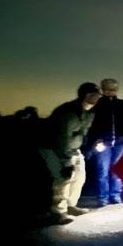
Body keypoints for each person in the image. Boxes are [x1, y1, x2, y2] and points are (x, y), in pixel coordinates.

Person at [39, 82, 101, 224]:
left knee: (79, 176)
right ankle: (58, 212)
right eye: (95, 95)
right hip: (53, 147)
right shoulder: (68, 113)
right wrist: (66, 162)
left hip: (72, 148)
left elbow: (83, 133)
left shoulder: (89, 112)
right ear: (86, 95)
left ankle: (70, 205)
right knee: (63, 178)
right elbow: (62, 138)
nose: (97, 98)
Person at [88, 78, 123, 207]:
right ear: (102, 89)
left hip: (120, 142)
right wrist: (97, 138)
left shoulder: (122, 104)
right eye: (107, 89)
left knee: (118, 170)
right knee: (102, 170)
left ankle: (115, 194)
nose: (110, 92)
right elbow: (91, 124)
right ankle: (103, 197)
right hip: (103, 142)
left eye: (113, 89)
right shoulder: (97, 104)